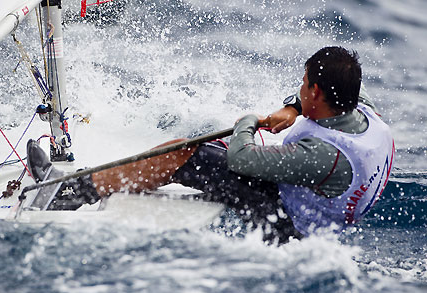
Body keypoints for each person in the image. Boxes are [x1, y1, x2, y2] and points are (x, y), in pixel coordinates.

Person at [27, 46, 394, 244]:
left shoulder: (323, 156)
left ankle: (70, 192)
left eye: (302, 85)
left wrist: (250, 122)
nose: (300, 88)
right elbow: (352, 93)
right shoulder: (366, 116)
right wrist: (294, 107)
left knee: (182, 152)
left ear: (316, 90)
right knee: (199, 154)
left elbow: (241, 157)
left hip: (290, 230)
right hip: (316, 213)